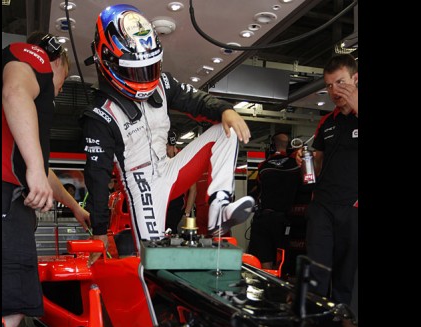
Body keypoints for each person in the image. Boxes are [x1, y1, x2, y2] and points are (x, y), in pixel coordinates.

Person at [81, 4, 254, 264]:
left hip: (169, 169)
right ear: (108, 60)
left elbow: (197, 101)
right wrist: (99, 231)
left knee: (224, 129)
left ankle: (220, 208)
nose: (144, 77)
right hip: (142, 185)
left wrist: (226, 110)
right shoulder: (100, 115)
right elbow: (97, 177)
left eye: (149, 68)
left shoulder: (163, 83)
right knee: (154, 262)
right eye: (134, 69)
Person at [2, 31, 91, 327]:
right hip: (6, 202)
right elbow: (14, 92)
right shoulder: (33, 56)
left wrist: (75, 207)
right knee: (9, 305)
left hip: (11, 204)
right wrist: (36, 170)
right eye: (63, 80)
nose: (59, 89)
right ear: (56, 60)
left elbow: (45, 173)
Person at [300, 53, 358, 305]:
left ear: (356, 79)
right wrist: (306, 159)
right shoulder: (326, 122)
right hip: (323, 205)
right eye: (329, 85)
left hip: (353, 207)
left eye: (341, 82)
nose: (335, 90)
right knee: (316, 272)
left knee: (346, 279)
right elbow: (319, 159)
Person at [246, 132, 301, 269]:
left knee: (264, 259)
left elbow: (255, 192)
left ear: (271, 147)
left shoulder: (263, 167)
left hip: (264, 218)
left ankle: (267, 286)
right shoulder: (296, 164)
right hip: (288, 220)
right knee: (284, 261)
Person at [164, 130, 198, 233]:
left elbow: (193, 190)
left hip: (177, 209)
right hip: (162, 205)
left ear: (171, 145)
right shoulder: (161, 160)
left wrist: (186, 214)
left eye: (165, 146)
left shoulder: (184, 160)